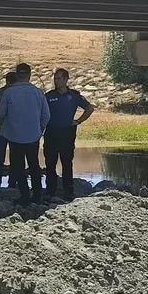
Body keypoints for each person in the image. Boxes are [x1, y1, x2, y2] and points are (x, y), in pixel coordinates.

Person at [0, 63, 49, 205]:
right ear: (29, 75)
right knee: (34, 165)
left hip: (15, 136)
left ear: (17, 75)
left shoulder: (8, 93)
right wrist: (40, 129)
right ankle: (37, 195)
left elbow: (0, 113)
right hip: (33, 136)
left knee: (18, 167)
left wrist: (8, 123)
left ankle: (24, 195)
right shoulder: (38, 93)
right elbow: (46, 115)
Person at [44, 68, 95, 200]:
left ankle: (68, 190)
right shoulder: (48, 96)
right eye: (55, 78)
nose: (56, 81)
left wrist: (79, 121)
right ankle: (50, 190)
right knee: (50, 162)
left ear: (66, 80)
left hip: (67, 132)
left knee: (67, 162)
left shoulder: (74, 95)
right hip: (51, 132)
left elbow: (90, 108)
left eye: (59, 78)